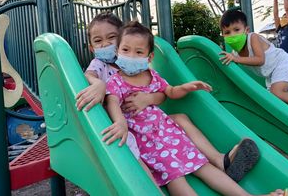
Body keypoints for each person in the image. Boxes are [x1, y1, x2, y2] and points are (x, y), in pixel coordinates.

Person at [102, 20, 285, 196]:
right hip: (146, 141)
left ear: (149, 57)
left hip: (167, 131)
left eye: (138, 52)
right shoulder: (116, 81)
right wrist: (120, 122)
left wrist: (187, 87)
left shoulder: (152, 75)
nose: (131, 56)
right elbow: (112, 102)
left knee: (202, 165)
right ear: (117, 51)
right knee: (175, 177)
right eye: (125, 50)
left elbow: (170, 92)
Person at [75, 11, 260, 183]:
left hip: (146, 119)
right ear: (91, 47)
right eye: (98, 41)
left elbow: (162, 93)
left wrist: (149, 99)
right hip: (125, 126)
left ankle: (220, 160)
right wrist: (99, 84)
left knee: (180, 118)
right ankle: (148, 185)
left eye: (112, 38)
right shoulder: (99, 65)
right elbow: (88, 77)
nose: (105, 44)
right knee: (132, 146)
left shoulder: (135, 64)